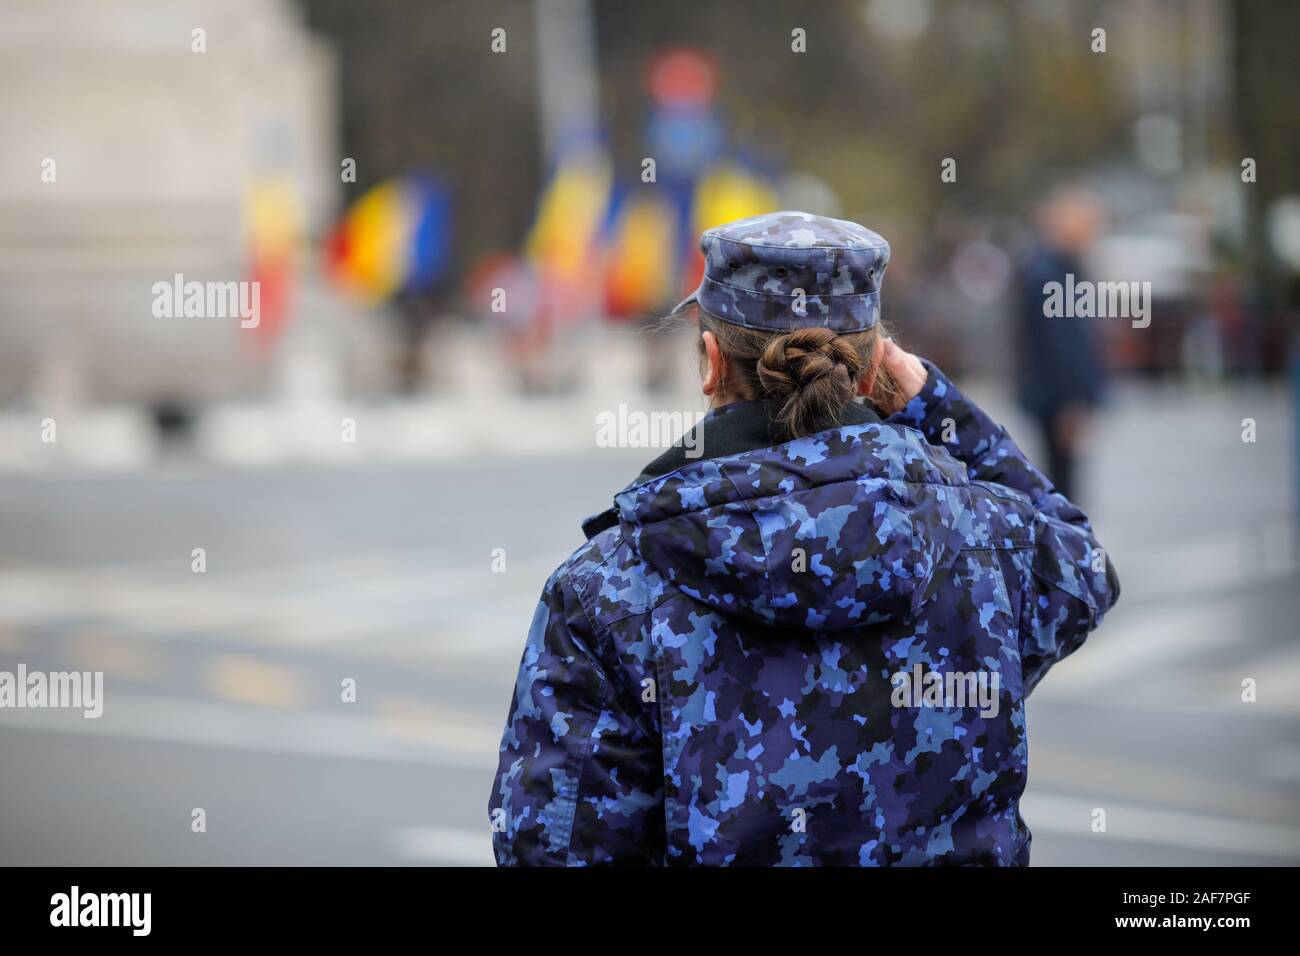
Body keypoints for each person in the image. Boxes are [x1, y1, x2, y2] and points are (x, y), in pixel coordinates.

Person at [488, 211, 1120, 866]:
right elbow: (1086, 569)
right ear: (876, 371)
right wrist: (940, 407)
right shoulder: (991, 539)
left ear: (711, 363)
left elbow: (552, 849)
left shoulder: (607, 588)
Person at [1016, 187, 1107, 501]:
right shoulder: (1049, 274)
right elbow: (1060, 345)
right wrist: (1071, 401)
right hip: (1057, 397)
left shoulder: (1059, 268)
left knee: (1064, 476)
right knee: (1063, 480)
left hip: (1057, 395)